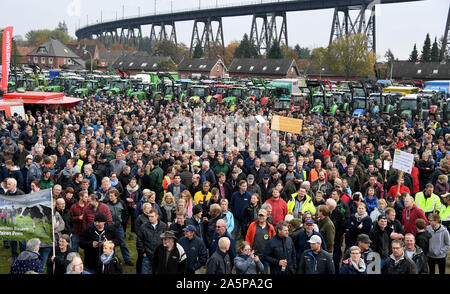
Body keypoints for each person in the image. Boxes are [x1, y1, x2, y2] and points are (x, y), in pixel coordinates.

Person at [136, 208, 168, 274]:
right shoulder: (143, 227)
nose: (150, 218)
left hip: (159, 255)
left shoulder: (164, 226)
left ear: (157, 216)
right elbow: (139, 241)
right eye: (149, 216)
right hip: (147, 255)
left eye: (152, 216)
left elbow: (167, 240)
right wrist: (143, 252)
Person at [106, 188, 133, 266]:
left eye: (111, 196)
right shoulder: (106, 203)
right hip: (109, 227)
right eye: (109, 196)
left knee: (122, 244)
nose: (109, 197)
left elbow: (126, 213)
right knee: (110, 244)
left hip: (119, 227)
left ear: (116, 196)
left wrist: (122, 222)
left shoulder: (122, 203)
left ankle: (127, 259)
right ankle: (111, 260)